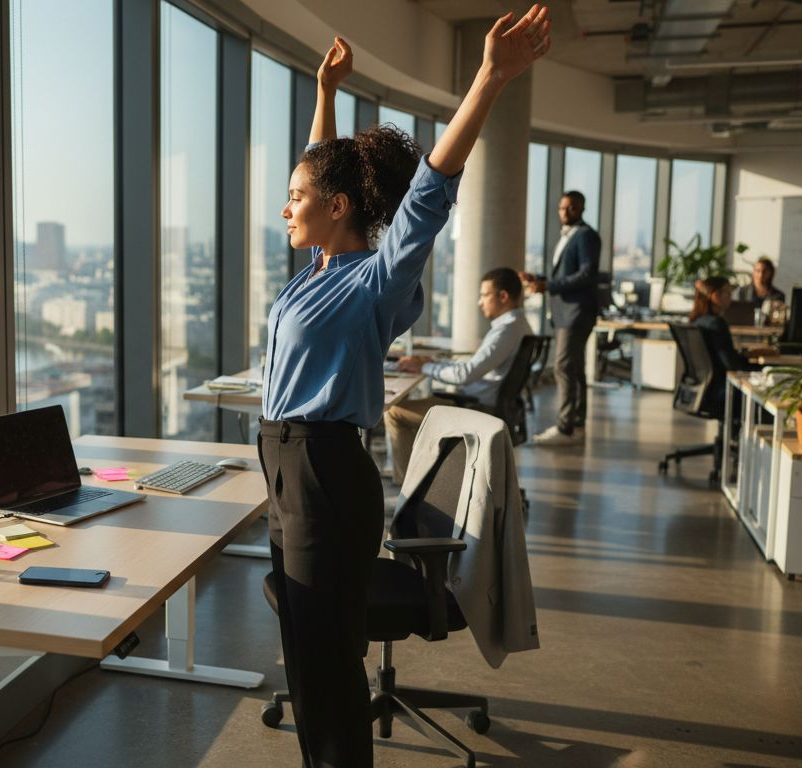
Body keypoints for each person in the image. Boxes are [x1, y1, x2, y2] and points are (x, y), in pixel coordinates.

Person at [257, 7, 550, 766]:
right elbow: (326, 164)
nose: (285, 206)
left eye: (296, 196)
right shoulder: (319, 269)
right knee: (305, 653)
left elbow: (428, 194)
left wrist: (488, 76)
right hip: (286, 470)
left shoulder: (373, 284)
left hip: (325, 475)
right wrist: (326, 91)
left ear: (338, 209)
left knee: (326, 672)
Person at [384, 267, 531, 483]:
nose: (480, 302)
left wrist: (423, 368)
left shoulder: (506, 330)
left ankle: (408, 486)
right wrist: (433, 363)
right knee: (408, 408)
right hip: (485, 403)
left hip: (475, 408)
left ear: (503, 296)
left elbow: (465, 375)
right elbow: (473, 366)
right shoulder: (519, 326)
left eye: (484, 295)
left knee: (395, 413)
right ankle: (419, 474)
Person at [519, 190, 600, 446]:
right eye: (562, 208)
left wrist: (549, 286)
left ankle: (565, 428)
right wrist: (540, 280)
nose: (565, 213)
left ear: (582, 208)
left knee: (564, 367)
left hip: (575, 313)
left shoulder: (586, 236)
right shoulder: (569, 236)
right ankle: (576, 423)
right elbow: (567, 273)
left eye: (571, 208)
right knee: (574, 369)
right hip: (567, 312)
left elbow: (587, 274)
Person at [690, 276, 760, 413]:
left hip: (706, 387)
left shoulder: (698, 321)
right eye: (727, 293)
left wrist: (745, 355)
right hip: (722, 388)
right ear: (714, 295)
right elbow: (732, 365)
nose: (730, 297)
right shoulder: (716, 324)